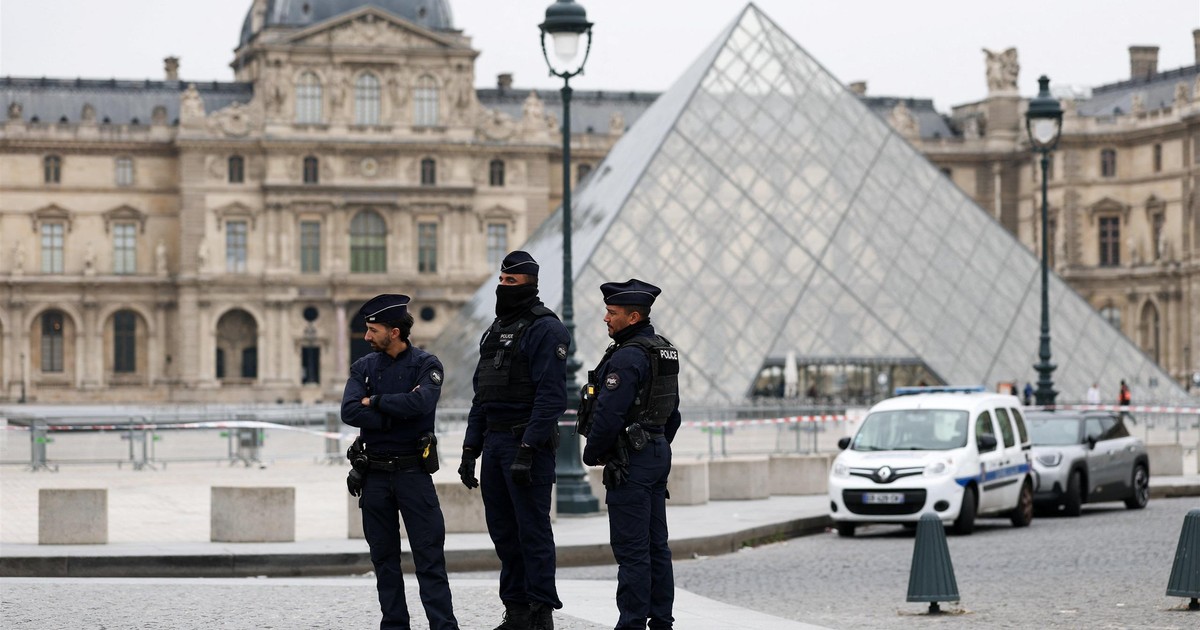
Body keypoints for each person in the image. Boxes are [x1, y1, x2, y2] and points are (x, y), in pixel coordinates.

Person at [459, 251, 569, 630]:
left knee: (532, 533)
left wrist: (528, 448)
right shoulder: (493, 330)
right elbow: (482, 395)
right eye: (501, 282)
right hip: (494, 443)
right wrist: (470, 449)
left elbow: (551, 397)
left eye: (511, 283)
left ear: (530, 285)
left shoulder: (546, 329)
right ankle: (516, 610)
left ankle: (541, 613)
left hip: (527, 445)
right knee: (504, 534)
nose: (503, 288)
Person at [341, 294, 458, 630]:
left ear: (394, 332)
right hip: (374, 475)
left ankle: (443, 626)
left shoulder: (426, 364)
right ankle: (394, 625)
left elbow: (422, 403)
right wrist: (396, 414)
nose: (366, 337)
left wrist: (375, 401)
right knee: (384, 561)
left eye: (372, 330)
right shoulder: (363, 366)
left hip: (413, 474)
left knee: (429, 558)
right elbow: (349, 411)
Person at [578, 279, 682, 630]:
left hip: (631, 461)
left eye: (612, 312)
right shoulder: (663, 350)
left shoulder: (627, 357)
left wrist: (593, 453)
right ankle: (662, 621)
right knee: (657, 546)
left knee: (632, 550)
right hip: (655, 453)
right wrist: (654, 441)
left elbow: (608, 414)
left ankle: (633, 623)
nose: (605, 318)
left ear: (633, 316)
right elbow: (674, 413)